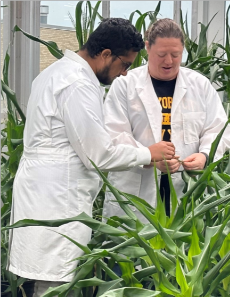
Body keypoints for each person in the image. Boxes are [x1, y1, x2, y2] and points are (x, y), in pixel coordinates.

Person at [7, 18, 175, 296]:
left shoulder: (55, 73)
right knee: (57, 283)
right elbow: (97, 154)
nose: (124, 74)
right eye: (125, 65)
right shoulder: (78, 84)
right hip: (58, 199)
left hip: (45, 193)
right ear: (106, 54)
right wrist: (148, 153)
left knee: (47, 281)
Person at [102, 18, 230, 221]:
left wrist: (205, 156)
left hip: (186, 191)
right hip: (136, 193)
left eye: (176, 55)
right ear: (147, 48)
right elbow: (114, 135)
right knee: (134, 249)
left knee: (184, 247)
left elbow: (218, 129)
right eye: (162, 55)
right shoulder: (125, 86)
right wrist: (149, 158)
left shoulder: (200, 86)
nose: (169, 61)